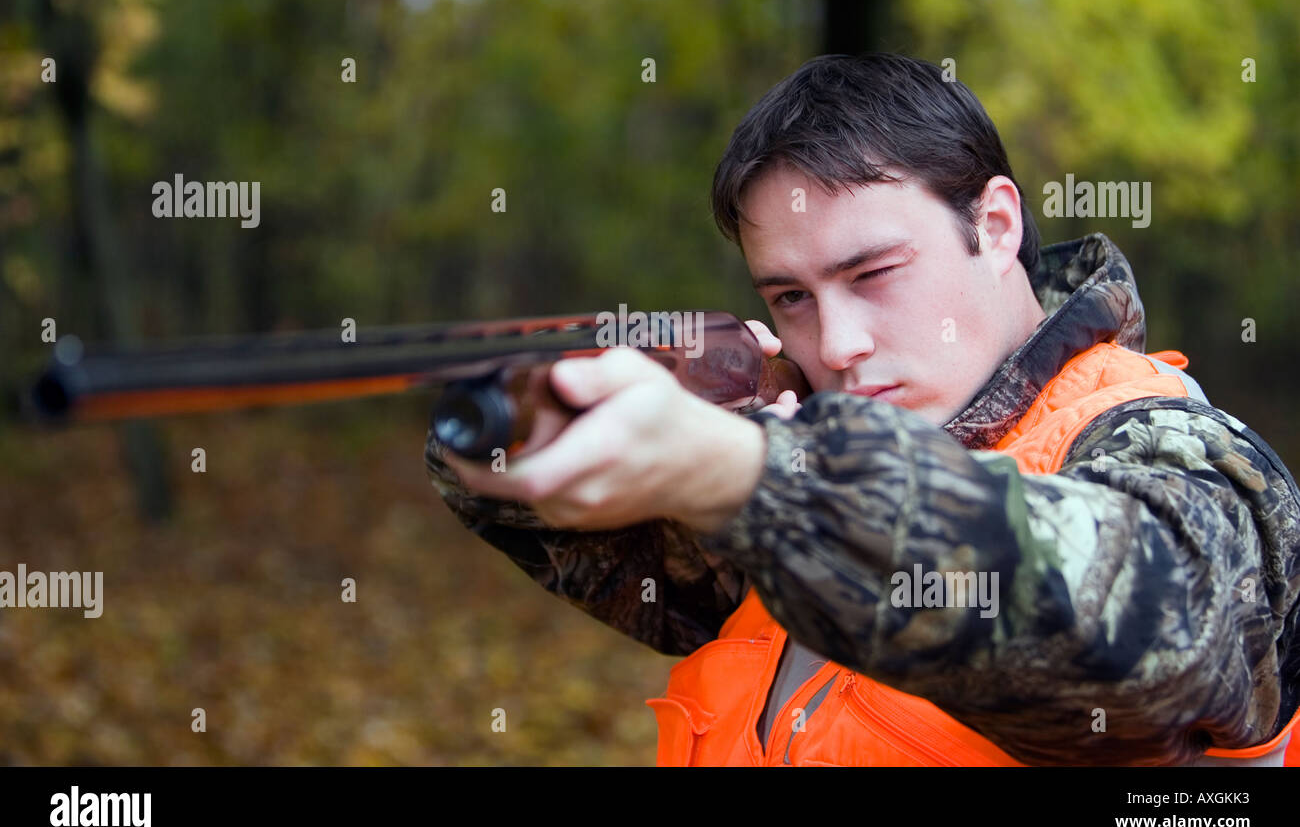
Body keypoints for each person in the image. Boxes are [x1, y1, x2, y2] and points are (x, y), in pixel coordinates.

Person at [424, 53, 1300, 766]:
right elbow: (507, 494)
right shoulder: (789, 460)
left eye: (872, 274)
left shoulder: (1181, 454)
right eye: (791, 297)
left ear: (996, 227)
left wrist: (745, 476)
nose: (836, 344)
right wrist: (553, 402)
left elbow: (1130, 635)